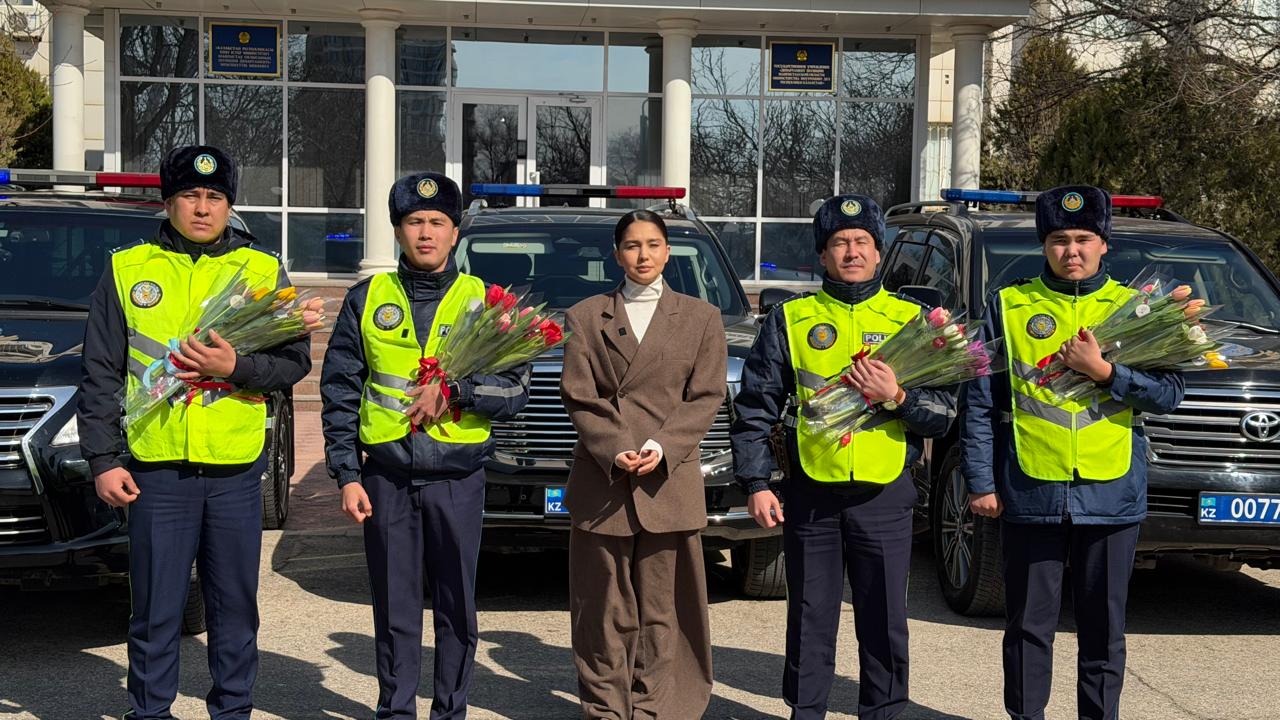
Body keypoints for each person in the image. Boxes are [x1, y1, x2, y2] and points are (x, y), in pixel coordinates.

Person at [78, 144, 313, 720]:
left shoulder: (261, 270)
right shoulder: (127, 269)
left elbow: (294, 363)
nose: (202, 208)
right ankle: (149, 711)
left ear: (229, 205)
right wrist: (104, 459)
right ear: (169, 200)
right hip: (156, 471)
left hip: (234, 470)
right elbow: (101, 371)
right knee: (156, 610)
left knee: (235, 609)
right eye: (190, 195)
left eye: (214, 197)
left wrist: (236, 368)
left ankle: (232, 711)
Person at [960, 185, 1186, 720]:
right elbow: (979, 401)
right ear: (1044, 245)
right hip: (1031, 489)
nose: (1072, 251)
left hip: (1110, 494)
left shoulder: (1137, 309)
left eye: (1084, 238)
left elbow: (1169, 393)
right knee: (1027, 628)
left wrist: (1105, 372)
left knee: (1103, 630)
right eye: (1060, 240)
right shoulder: (1010, 305)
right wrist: (981, 481)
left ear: (1104, 243)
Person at [730, 194, 957, 720]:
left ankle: (883, 711)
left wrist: (897, 397)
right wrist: (756, 482)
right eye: (839, 242)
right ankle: (806, 711)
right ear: (823, 254)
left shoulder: (914, 320)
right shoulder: (791, 318)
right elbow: (755, 406)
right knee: (810, 614)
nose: (851, 252)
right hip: (812, 493)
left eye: (862, 242)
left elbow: (945, 414)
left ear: (880, 253)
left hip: (885, 493)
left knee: (883, 616)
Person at [320, 171, 531, 720]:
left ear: (455, 233)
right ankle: (395, 711)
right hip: (386, 478)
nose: (426, 232)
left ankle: (450, 712)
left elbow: (515, 392)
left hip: (457, 479)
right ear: (397, 231)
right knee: (394, 607)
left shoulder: (487, 301)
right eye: (415, 221)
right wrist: (346, 474)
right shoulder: (368, 298)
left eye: (438, 222)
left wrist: (457, 391)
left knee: (456, 610)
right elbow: (340, 389)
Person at [558, 209, 728, 719]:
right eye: (632, 245)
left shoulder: (702, 318)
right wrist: (615, 447)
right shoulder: (586, 316)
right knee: (603, 610)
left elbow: (705, 396)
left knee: (663, 610)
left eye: (653, 244)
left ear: (668, 251)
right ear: (616, 254)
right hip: (604, 479)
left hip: (667, 481)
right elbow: (579, 396)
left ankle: (660, 707)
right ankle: (605, 708)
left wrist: (661, 447)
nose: (643, 255)